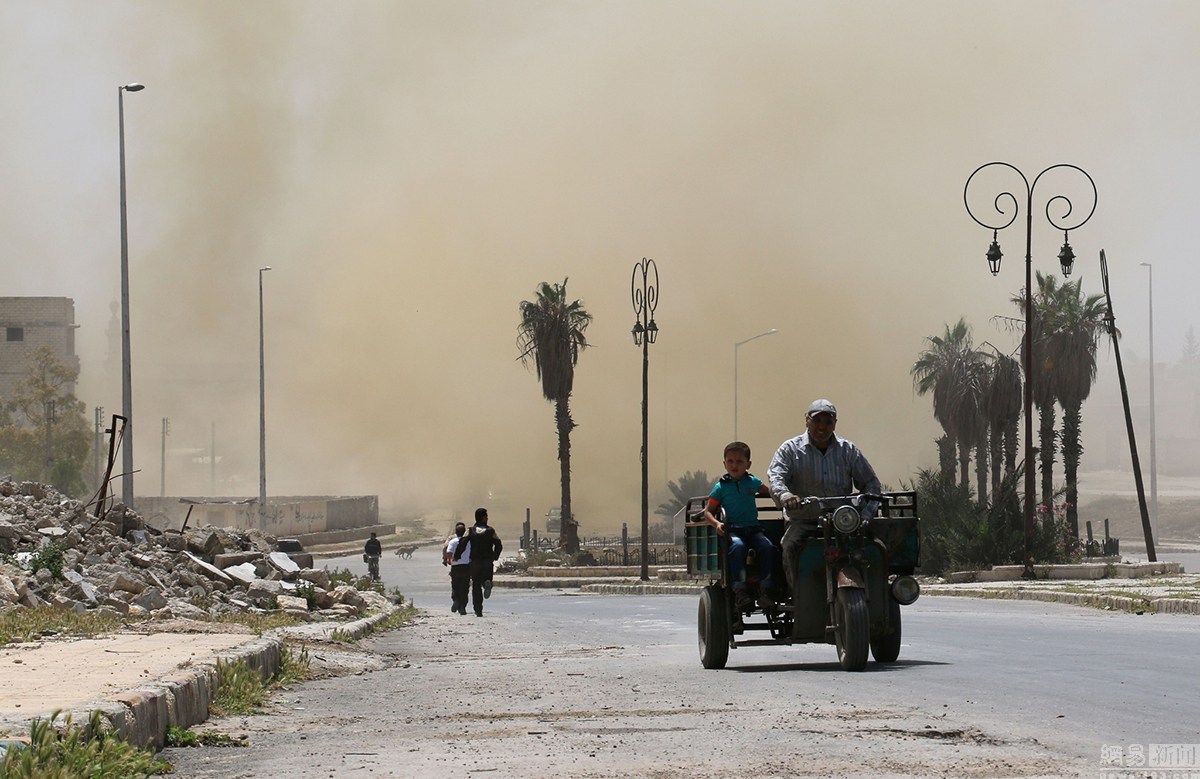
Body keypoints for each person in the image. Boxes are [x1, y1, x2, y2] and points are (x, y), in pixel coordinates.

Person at [767, 399, 882, 599]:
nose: (822, 426)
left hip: (843, 524)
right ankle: (798, 597)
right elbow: (776, 477)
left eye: (827, 422)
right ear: (807, 420)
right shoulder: (790, 449)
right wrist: (786, 496)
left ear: (835, 423)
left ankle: (875, 597)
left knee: (875, 550)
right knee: (789, 546)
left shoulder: (848, 450)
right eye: (817, 420)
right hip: (804, 521)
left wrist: (864, 516)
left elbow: (872, 484)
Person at [702, 441, 774, 614]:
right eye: (731, 461)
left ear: (748, 464)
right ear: (725, 463)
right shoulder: (721, 487)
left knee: (768, 547)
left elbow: (771, 492)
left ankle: (767, 589)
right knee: (738, 547)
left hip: (754, 530)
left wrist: (787, 496)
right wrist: (717, 524)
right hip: (733, 530)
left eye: (739, 461)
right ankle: (739, 590)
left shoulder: (753, 482)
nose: (735, 465)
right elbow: (707, 512)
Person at [453, 507, 503, 616]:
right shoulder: (491, 531)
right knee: (486, 578)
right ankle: (486, 583)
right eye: (486, 516)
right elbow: (499, 545)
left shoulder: (470, 530)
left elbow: (462, 543)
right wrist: (495, 556)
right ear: (484, 518)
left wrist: (457, 555)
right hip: (487, 562)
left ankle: (478, 610)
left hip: (475, 562)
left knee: (476, 585)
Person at [442, 522, 471, 615]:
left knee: (455, 586)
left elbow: (448, 551)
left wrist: (448, 560)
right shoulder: (469, 541)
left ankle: (456, 600)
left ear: (455, 531)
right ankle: (462, 606)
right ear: (464, 532)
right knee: (465, 587)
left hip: (455, 567)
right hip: (466, 567)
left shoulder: (452, 541)